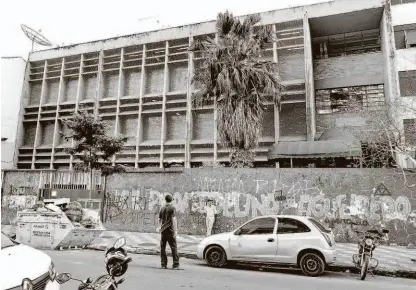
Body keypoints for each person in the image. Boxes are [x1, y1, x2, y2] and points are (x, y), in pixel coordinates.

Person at [157, 194, 180, 269]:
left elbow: (160, 219)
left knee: (162, 247)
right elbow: (174, 219)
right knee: (174, 247)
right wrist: (175, 230)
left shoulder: (162, 208)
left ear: (165, 200)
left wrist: (159, 227)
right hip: (170, 230)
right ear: (171, 200)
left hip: (163, 230)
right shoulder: (172, 208)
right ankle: (175, 264)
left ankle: (163, 264)